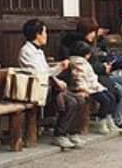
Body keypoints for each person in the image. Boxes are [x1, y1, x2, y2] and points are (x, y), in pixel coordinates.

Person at [20, 18, 87, 149]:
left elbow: (46, 72)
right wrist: (57, 76)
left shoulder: (38, 51)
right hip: (37, 89)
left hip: (48, 86)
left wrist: (60, 68)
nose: (46, 35)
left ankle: (72, 132)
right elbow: (38, 74)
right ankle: (59, 134)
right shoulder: (26, 51)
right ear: (37, 34)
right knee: (71, 102)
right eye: (44, 32)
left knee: (80, 100)